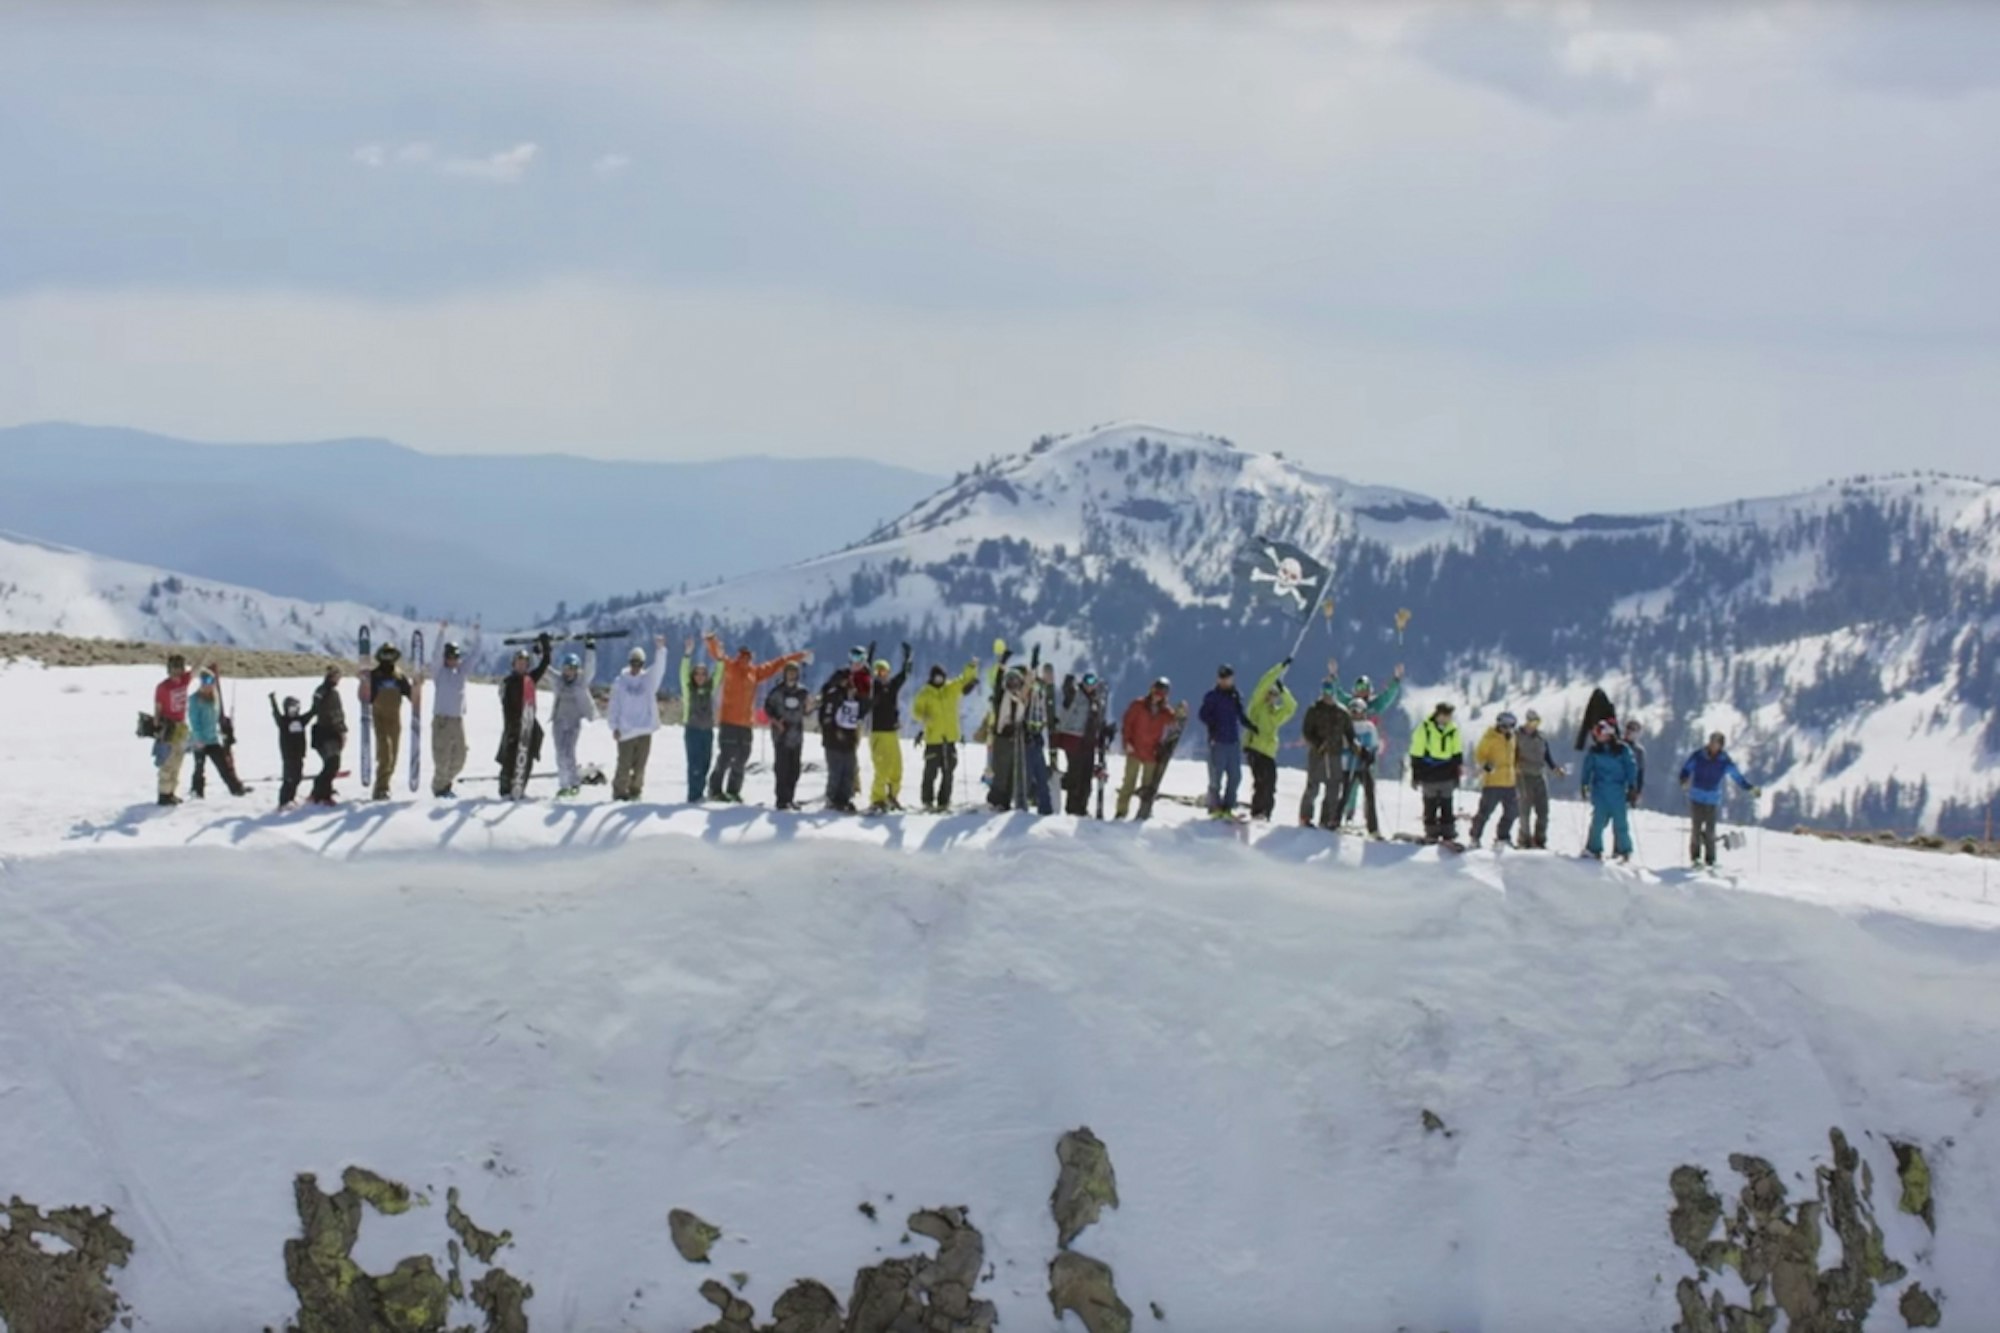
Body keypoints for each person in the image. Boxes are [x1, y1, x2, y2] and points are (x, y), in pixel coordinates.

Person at [707, 633, 811, 803]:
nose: (746, 658)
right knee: (725, 757)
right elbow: (718, 655)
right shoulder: (730, 667)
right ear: (739, 656)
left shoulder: (754, 672)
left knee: (742, 758)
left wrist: (798, 656)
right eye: (743, 655)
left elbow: (777, 664)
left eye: (748, 656)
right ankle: (715, 789)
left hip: (746, 723)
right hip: (729, 721)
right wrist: (711, 641)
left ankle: (733, 791)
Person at [1332, 660, 1404, 821]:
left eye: (1364, 689)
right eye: (1359, 689)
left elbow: (1388, 696)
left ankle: (1368, 816)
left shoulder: (1375, 705)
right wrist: (1334, 677)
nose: (1362, 692)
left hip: (1369, 750)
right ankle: (1348, 812)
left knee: (1368, 784)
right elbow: (1339, 694)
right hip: (1351, 748)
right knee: (1350, 783)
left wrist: (1396, 680)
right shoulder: (1349, 703)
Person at [1679, 732, 1761, 868]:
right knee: (1696, 829)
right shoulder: (1698, 756)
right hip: (1697, 796)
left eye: (1716, 742)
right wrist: (1684, 780)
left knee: (1710, 830)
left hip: (1712, 799)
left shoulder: (1724, 761)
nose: (1712, 745)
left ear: (1721, 745)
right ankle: (1695, 858)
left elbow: (1737, 776)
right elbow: (1686, 769)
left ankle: (1710, 860)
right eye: (1711, 741)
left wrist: (1750, 788)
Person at [913, 658, 981, 812]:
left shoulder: (951, 688)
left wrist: (971, 667)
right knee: (930, 772)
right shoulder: (925, 693)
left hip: (949, 738)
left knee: (948, 772)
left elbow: (964, 679)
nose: (939, 680)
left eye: (941, 677)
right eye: (936, 677)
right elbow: (915, 710)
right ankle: (927, 800)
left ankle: (944, 801)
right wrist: (923, 716)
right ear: (932, 678)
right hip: (933, 738)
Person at [606, 636, 668, 801]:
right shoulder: (620, 682)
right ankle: (619, 793)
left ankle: (635, 792)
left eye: (639, 663)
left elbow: (660, 668)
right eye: (633, 663)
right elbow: (614, 705)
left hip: (644, 729)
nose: (636, 666)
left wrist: (661, 650)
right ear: (629, 663)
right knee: (624, 765)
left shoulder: (648, 680)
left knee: (640, 766)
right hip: (625, 731)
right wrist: (614, 726)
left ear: (643, 664)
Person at [497, 634, 552, 799]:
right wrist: (512, 727)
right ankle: (505, 789)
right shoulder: (508, 682)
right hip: (513, 727)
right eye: (519, 663)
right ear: (514, 664)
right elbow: (506, 707)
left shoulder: (530, 679)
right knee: (510, 759)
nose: (522, 666)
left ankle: (520, 788)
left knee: (527, 758)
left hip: (529, 727)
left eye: (525, 663)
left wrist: (545, 647)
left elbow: (545, 664)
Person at [1115, 678, 1179, 820]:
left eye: (1161, 693)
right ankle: (1121, 812)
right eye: (1156, 691)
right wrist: (1127, 742)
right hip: (1135, 749)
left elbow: (1174, 722)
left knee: (1148, 786)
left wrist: (1179, 714)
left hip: (1151, 752)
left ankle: (1144, 812)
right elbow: (1127, 724)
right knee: (1129, 783)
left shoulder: (1165, 712)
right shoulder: (1138, 705)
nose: (1157, 696)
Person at [1198, 664, 1255, 818]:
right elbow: (1202, 715)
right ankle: (1214, 806)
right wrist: (1213, 724)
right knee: (1216, 776)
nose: (1225, 681)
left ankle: (1228, 806)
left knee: (1235, 776)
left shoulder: (1235, 696)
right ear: (1218, 679)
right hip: (1218, 742)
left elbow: (1240, 715)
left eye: (1228, 678)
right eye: (1222, 678)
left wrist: (1250, 726)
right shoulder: (1212, 696)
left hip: (1233, 742)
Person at [1580, 717, 1640, 862]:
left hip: (1618, 791)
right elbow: (1587, 769)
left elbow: (1630, 767)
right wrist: (1584, 784)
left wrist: (1632, 786)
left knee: (1620, 823)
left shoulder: (1622, 750)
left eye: (1600, 733)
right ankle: (1594, 849)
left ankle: (1624, 851)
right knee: (1597, 822)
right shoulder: (1595, 751)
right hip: (1600, 791)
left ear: (1608, 734)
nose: (1597, 736)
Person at [1244, 660, 1297, 822]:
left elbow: (1291, 707)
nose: (1272, 697)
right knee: (1261, 782)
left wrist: (1283, 690)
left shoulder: (1276, 714)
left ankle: (1266, 813)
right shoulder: (1257, 706)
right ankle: (1257, 811)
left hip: (1269, 753)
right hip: (1255, 748)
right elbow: (1264, 682)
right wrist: (1280, 668)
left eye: (1275, 695)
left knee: (1270, 784)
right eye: (1270, 693)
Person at [1298, 680, 1354, 829]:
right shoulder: (1314, 710)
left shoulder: (1342, 713)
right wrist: (1317, 743)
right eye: (1325, 691)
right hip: (1318, 754)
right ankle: (1305, 817)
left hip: (1335, 754)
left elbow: (1349, 733)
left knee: (1333, 788)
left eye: (1330, 691)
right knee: (1313, 786)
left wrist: (1355, 746)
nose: (1327, 695)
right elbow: (1306, 731)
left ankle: (1327, 819)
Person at [548, 641, 600, 798]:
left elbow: (590, 668)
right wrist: (540, 653)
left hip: (573, 723)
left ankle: (574, 783)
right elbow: (545, 670)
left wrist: (590, 649)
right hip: (558, 722)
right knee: (560, 753)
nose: (568, 672)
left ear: (577, 670)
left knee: (569, 753)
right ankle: (564, 785)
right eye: (566, 669)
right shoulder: (559, 681)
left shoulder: (581, 682)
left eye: (571, 669)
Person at [867, 644, 915, 813]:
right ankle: (877, 799)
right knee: (881, 768)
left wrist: (908, 659)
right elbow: (866, 675)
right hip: (877, 732)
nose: (882, 675)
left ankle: (892, 796)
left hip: (892, 733)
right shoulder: (872, 687)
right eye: (878, 672)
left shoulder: (891, 686)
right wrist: (869, 658)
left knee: (896, 768)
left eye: (884, 672)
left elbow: (904, 675)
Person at [1055, 670, 1109, 817]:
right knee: (1075, 775)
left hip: (1089, 742)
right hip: (1074, 740)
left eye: (1093, 682)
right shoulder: (1076, 695)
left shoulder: (1096, 700)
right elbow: (1067, 698)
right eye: (1087, 681)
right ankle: (1072, 807)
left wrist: (1103, 730)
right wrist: (1068, 684)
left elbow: (1097, 720)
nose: (1090, 685)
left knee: (1086, 776)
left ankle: (1082, 807)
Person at [1408, 701, 1463, 843]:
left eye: (1449, 716)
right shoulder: (1425, 728)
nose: (1447, 719)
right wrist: (1415, 774)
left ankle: (1448, 833)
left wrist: (1457, 773)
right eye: (1444, 715)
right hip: (1429, 773)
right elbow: (1416, 752)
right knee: (1430, 805)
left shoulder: (1453, 730)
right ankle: (1431, 832)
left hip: (1447, 773)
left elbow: (1457, 753)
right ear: (1438, 714)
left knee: (1447, 805)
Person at [187, 669, 248, 798]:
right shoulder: (194, 699)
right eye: (205, 681)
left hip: (213, 738)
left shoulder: (215, 698)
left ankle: (236, 788)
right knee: (199, 767)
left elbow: (217, 716)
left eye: (211, 681)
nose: (208, 685)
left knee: (224, 765)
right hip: (199, 740)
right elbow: (194, 721)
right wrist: (199, 739)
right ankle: (197, 791)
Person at [764, 661, 813, 811]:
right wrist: (776, 722)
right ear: (784, 674)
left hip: (796, 734)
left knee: (795, 769)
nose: (791, 675)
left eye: (794, 673)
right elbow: (767, 708)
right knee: (782, 768)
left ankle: (790, 798)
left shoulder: (802, 692)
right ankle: (781, 799)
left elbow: (807, 711)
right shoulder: (777, 691)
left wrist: (810, 707)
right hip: (781, 735)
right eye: (789, 672)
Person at [1512, 709, 1565, 848]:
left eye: (1537, 722)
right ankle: (1524, 840)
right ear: (1527, 722)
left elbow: (1547, 756)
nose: (1534, 726)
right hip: (1523, 775)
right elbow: (1512, 754)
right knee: (1525, 811)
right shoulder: (1517, 736)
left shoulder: (1541, 738)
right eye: (1532, 722)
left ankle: (1540, 840)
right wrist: (1514, 768)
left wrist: (1555, 769)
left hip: (1539, 775)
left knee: (1543, 811)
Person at [1466, 711, 1520, 848]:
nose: (1508, 729)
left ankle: (1502, 837)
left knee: (1513, 812)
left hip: (1509, 782)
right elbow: (1479, 754)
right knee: (1485, 812)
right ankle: (1475, 837)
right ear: (1499, 724)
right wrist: (1486, 765)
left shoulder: (1512, 738)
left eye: (1511, 726)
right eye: (1505, 726)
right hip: (1493, 782)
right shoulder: (1490, 738)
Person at [366, 643, 413, 800]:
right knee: (385, 753)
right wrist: (363, 683)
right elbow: (367, 698)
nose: (388, 658)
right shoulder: (374, 676)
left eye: (391, 654)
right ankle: (380, 788)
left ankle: (385, 785)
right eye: (385, 654)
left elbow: (411, 695)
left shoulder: (399, 676)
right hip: (380, 718)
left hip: (395, 720)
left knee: (393, 755)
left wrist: (418, 686)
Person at [429, 637, 471, 798]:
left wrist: (476, 633)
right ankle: (440, 788)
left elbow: (475, 655)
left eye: (456, 657)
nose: (453, 660)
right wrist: (441, 632)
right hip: (442, 721)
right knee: (442, 757)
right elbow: (435, 655)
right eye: (450, 657)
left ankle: (444, 783)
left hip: (457, 720)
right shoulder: (439, 672)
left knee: (460, 757)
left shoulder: (461, 673)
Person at [819, 669, 866, 812]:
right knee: (836, 770)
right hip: (833, 740)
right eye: (845, 679)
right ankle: (832, 798)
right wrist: (835, 731)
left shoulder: (853, 696)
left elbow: (860, 712)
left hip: (849, 739)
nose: (847, 682)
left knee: (849, 770)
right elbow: (826, 718)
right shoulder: (832, 695)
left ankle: (845, 798)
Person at [151, 652, 195, 805]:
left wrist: (208, 652)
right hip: (168, 727)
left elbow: (196, 669)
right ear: (169, 669)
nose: (177, 671)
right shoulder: (163, 687)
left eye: (179, 667)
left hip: (181, 727)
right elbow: (158, 708)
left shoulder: (184, 681)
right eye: (174, 667)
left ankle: (171, 792)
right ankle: (163, 793)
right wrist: (156, 726)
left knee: (177, 760)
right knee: (167, 761)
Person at [679, 639, 719, 803]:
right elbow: (683, 673)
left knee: (706, 763)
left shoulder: (710, 689)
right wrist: (687, 655)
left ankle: (700, 792)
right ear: (693, 675)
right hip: (693, 730)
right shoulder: (688, 689)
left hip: (707, 730)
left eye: (703, 674)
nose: (700, 676)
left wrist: (719, 656)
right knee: (694, 763)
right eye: (697, 673)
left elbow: (719, 673)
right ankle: (694, 795)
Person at [986, 666, 1029, 813]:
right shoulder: (1002, 696)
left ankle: (1006, 802)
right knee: (1001, 771)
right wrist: (1001, 667)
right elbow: (997, 685)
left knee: (1012, 772)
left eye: (1016, 681)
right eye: (1011, 681)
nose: (1014, 684)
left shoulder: (1021, 698)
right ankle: (995, 800)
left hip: (1015, 738)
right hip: (1002, 738)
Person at [1341, 699, 1383, 837]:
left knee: (1369, 795)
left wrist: (1368, 756)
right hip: (1348, 765)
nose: (1356, 714)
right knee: (1345, 794)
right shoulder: (1346, 726)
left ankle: (1373, 828)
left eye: (1359, 711)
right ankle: (1337, 820)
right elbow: (1342, 745)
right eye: (1353, 711)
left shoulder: (1369, 727)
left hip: (1363, 766)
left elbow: (1374, 745)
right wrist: (1349, 751)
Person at [308, 665, 347, 805]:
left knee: (331, 764)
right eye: (337, 675)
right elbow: (332, 714)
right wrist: (341, 730)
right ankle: (321, 794)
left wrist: (342, 730)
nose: (339, 678)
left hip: (330, 732)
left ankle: (323, 790)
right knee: (332, 763)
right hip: (326, 732)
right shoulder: (325, 691)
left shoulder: (328, 691)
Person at [270, 692, 312, 808]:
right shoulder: (283, 721)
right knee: (288, 778)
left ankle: (291, 798)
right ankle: (283, 801)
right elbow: (276, 713)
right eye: (291, 708)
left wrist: (318, 702)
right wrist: (272, 700)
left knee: (297, 777)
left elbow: (312, 712)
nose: (294, 711)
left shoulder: (300, 720)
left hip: (299, 754)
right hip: (288, 755)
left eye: (296, 708)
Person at [1624, 718, 1648, 805]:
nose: (1629, 732)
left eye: (1633, 730)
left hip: (1631, 788)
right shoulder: (1616, 746)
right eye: (1628, 728)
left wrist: (1638, 791)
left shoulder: (1639, 751)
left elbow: (1640, 772)